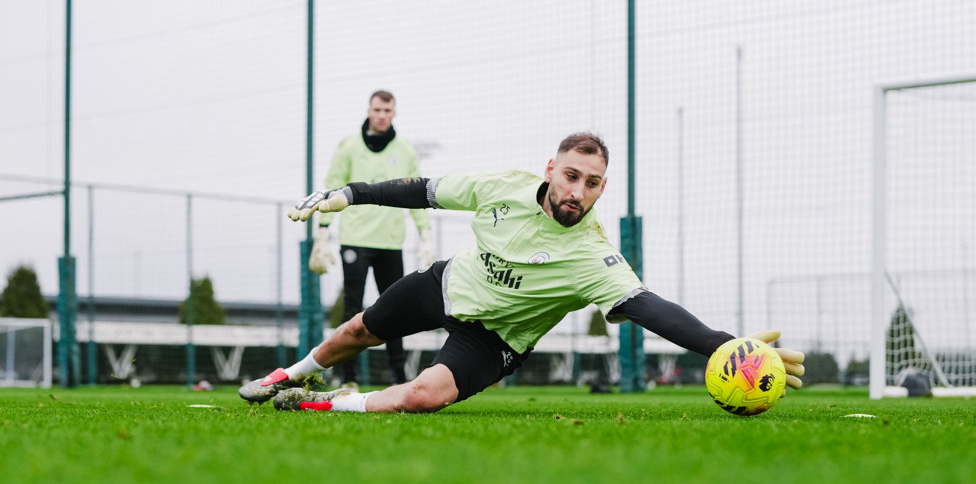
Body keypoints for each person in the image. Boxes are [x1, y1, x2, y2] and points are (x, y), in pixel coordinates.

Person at [240, 132, 805, 413]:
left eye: (591, 183)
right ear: (550, 171)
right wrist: (351, 193)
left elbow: (651, 308)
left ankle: (322, 404)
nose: (576, 192)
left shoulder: (593, 256)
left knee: (423, 396)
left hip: (497, 336)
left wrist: (728, 347)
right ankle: (285, 376)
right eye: (570, 176)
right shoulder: (501, 187)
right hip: (450, 282)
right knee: (356, 330)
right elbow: (423, 191)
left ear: (601, 189)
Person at [308, 90, 434, 387]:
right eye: (377, 109)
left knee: (396, 309)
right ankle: (348, 378)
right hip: (355, 239)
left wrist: (425, 235)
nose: (381, 115)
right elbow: (332, 187)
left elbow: (417, 192)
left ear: (394, 113)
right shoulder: (349, 147)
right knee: (352, 308)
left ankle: (398, 378)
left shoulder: (405, 150)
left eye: (387, 110)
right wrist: (322, 232)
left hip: (390, 241)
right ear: (369, 110)